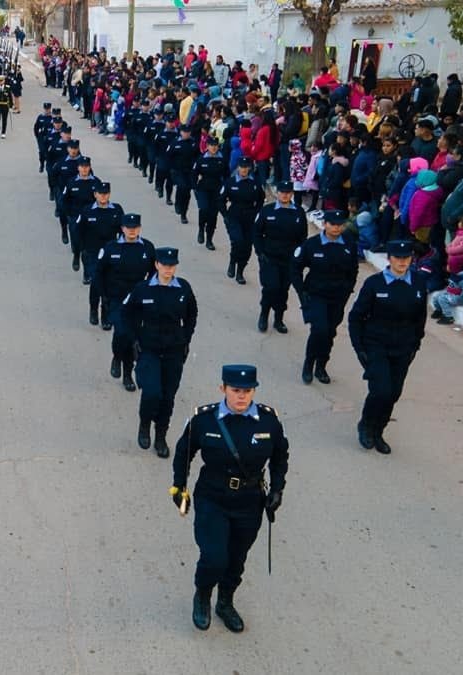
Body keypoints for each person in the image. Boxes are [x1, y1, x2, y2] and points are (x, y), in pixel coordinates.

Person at [171, 364, 288, 632]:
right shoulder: (204, 420)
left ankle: (225, 602)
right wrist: (179, 488)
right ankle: (202, 595)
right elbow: (183, 453)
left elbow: (280, 457)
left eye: (248, 391)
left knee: (236, 558)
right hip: (213, 497)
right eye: (236, 390)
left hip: (249, 501)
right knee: (214, 557)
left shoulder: (269, 422)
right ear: (223, 388)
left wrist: (278, 489)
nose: (242, 396)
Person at [348, 240, 428, 454]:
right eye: (398, 258)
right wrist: (360, 348)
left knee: (393, 393)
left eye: (406, 258)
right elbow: (356, 318)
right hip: (376, 346)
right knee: (380, 391)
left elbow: (420, 317)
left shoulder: (418, 283)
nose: (402, 262)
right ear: (389, 258)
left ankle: (379, 431)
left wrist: (415, 345)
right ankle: (366, 425)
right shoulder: (374, 284)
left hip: (403, 348)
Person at [122, 247, 198, 457]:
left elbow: (192, 313)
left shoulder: (183, 288)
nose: (168, 269)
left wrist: (186, 337)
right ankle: (145, 424)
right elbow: (127, 313)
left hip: (174, 351)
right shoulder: (143, 288)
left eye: (172, 265)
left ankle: (161, 435)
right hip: (149, 349)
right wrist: (135, 339)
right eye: (164, 265)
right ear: (156, 265)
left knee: (168, 397)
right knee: (152, 392)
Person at [292, 209, 359, 384]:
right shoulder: (312, 245)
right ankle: (309, 363)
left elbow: (353, 270)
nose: (336, 228)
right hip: (316, 294)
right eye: (333, 224)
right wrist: (302, 293)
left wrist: (348, 289)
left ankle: (321, 365)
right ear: (324, 224)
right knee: (319, 330)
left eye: (340, 225)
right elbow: (295, 268)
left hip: (338, 296)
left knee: (329, 332)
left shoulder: (349, 244)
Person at [94, 213, 156, 392]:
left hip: (139, 299)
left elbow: (154, 272)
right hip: (116, 299)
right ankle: (117, 356)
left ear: (140, 228)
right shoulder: (111, 248)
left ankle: (128, 374)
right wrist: (103, 296)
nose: (132, 230)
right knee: (122, 333)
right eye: (128, 227)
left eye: (135, 227)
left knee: (132, 337)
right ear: (122, 229)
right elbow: (99, 272)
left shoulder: (147, 248)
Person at [252, 180, 308, 333]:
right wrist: (260, 253)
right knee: (271, 288)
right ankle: (264, 315)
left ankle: (278, 319)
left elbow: (303, 237)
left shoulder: (298, 212)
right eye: (282, 192)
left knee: (283, 291)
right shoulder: (267, 210)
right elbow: (257, 233)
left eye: (288, 192)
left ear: (292, 194)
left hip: (289, 260)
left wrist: (299, 258)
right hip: (270, 258)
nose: (285, 195)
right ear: (277, 193)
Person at [76, 181, 124, 321]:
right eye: (100, 194)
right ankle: (93, 308)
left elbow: (124, 230)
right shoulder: (87, 210)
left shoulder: (116, 210)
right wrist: (82, 248)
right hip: (92, 252)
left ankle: (105, 313)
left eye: (106, 194)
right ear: (95, 194)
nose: (103, 196)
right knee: (97, 282)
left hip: (111, 252)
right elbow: (78, 230)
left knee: (109, 283)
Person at [221, 157, 264, 285]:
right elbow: (221, 200)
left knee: (247, 247)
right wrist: (226, 215)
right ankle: (232, 261)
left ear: (249, 168)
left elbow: (261, 199)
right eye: (242, 167)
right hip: (235, 215)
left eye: (246, 167)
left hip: (250, 217)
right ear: (238, 167)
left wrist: (257, 212)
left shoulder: (255, 183)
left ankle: (240, 271)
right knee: (238, 241)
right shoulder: (230, 182)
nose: (244, 169)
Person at [193, 136, 228, 250]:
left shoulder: (222, 160)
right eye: (211, 145)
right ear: (207, 146)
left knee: (213, 215)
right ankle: (201, 229)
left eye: (215, 146)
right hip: (203, 189)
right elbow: (194, 173)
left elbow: (227, 177)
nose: (213, 148)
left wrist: (225, 192)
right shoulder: (201, 159)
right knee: (204, 209)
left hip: (217, 190)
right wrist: (195, 187)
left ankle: (209, 239)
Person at [33, 102, 54, 172]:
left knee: (49, 152)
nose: (47, 110)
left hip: (50, 137)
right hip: (42, 137)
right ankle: (42, 164)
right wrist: (37, 136)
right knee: (42, 152)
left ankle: (49, 166)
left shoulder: (53, 118)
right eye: (45, 109)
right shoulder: (40, 117)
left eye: (48, 109)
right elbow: (36, 127)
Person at [0, 74, 12, 139]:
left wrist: (11, 107)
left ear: (4, 81)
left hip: (5, 105)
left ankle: (3, 132)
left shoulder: (8, 88)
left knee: (4, 119)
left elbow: (10, 97)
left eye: (2, 80)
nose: (0, 82)